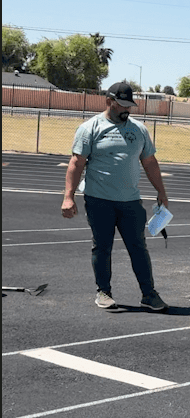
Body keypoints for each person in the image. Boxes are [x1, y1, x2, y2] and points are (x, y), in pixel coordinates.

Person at [61, 82, 169, 311]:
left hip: (131, 201)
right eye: (122, 105)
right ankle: (104, 292)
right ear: (109, 102)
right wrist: (68, 197)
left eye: (129, 105)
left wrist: (161, 191)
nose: (126, 109)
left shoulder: (139, 130)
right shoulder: (90, 128)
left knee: (138, 247)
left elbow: (150, 162)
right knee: (102, 247)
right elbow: (76, 163)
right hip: (99, 200)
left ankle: (149, 294)